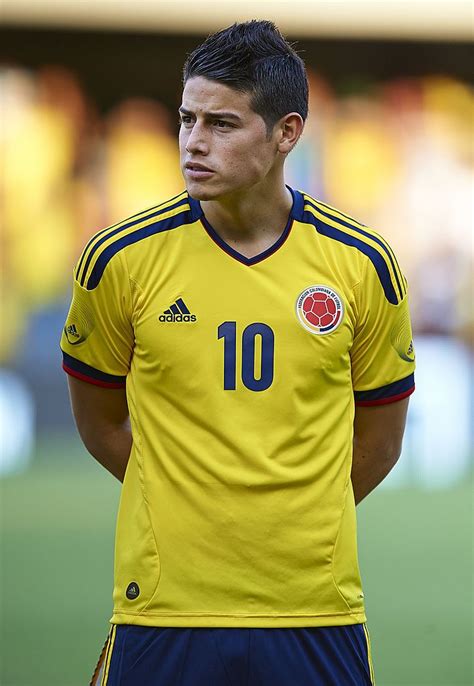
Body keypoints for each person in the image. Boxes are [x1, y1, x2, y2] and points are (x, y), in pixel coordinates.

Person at [61, 20, 415, 686]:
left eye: (221, 124)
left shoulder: (362, 265)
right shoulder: (119, 260)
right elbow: (100, 421)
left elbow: (381, 440)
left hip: (315, 611)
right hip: (162, 612)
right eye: (186, 119)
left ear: (287, 132)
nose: (193, 142)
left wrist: (290, 516)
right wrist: (188, 500)